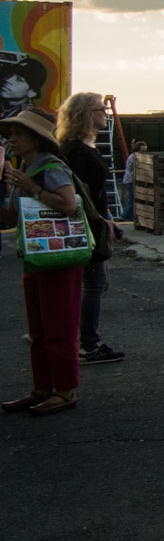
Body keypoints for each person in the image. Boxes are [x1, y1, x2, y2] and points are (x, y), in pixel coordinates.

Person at [1, 106, 86, 415]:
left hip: (59, 255)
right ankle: (42, 388)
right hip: (37, 256)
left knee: (58, 328)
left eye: (19, 132)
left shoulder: (49, 167)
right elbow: (11, 215)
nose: (12, 138)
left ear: (37, 138)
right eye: (11, 133)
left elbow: (67, 204)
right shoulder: (23, 167)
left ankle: (64, 391)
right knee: (38, 330)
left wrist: (31, 188)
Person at [56, 93, 124, 366]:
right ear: (86, 113)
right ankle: (89, 344)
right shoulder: (76, 151)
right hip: (86, 228)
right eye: (101, 109)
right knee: (94, 284)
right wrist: (100, 218)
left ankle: (76, 337)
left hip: (94, 224)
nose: (106, 113)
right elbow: (79, 193)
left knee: (96, 283)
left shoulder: (83, 146)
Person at [0, 53, 48, 118]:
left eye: (19, 80)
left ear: (32, 92)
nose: (8, 80)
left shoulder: (31, 117)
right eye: (10, 74)